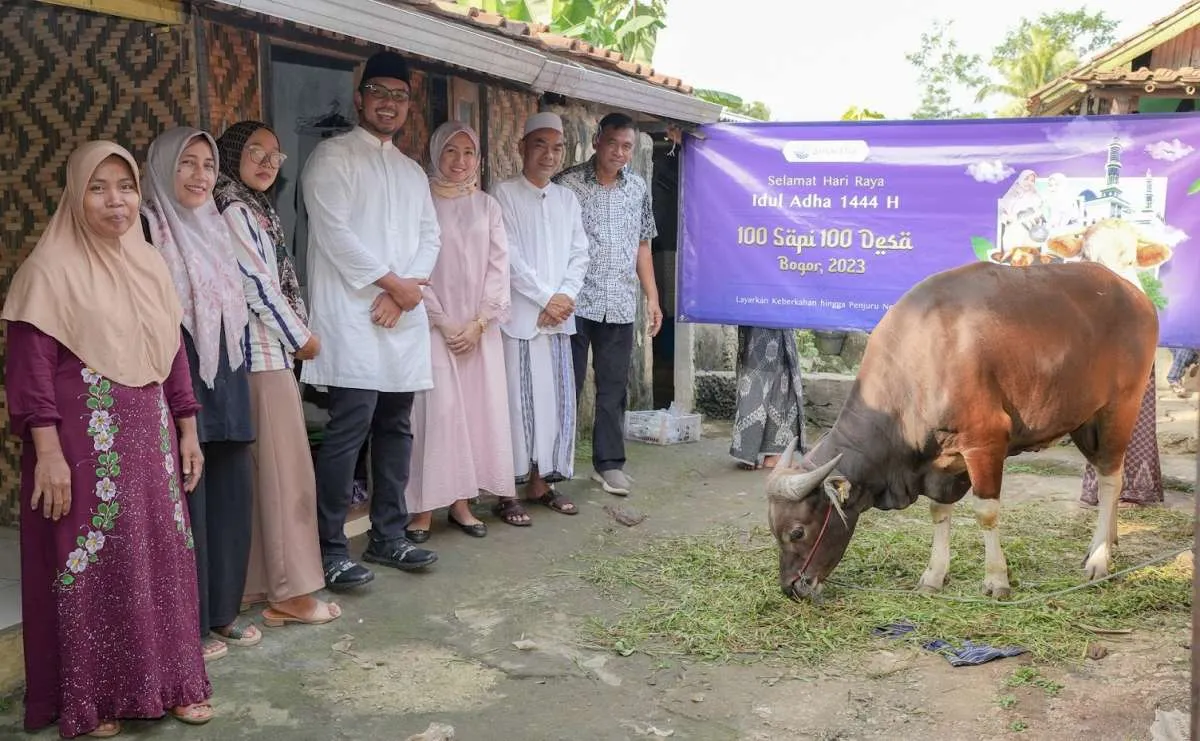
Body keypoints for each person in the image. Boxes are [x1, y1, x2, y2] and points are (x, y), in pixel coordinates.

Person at [3, 140, 214, 738]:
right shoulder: (47, 271)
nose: (115, 200)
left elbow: (172, 354)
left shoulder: (147, 263)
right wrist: (48, 454)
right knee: (97, 560)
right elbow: (29, 372)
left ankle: (172, 683)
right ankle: (98, 697)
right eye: (97, 187)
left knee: (159, 558)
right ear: (75, 195)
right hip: (82, 444)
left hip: (150, 439)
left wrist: (188, 429)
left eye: (124, 186)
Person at [300, 50, 441, 589]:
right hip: (351, 319)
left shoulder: (410, 172)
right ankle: (330, 548)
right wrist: (392, 284)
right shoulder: (331, 158)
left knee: (396, 428)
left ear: (408, 106)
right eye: (379, 92)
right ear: (360, 99)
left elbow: (431, 237)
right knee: (347, 431)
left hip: (399, 318)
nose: (389, 103)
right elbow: (336, 235)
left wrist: (405, 293)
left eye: (399, 96)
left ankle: (388, 535)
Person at [214, 120, 342, 627]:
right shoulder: (235, 210)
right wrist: (302, 338)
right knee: (288, 479)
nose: (268, 163)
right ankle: (291, 594)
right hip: (261, 359)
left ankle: (262, 585)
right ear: (232, 156)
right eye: (255, 153)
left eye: (275, 155)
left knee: (263, 480)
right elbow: (259, 287)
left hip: (262, 358)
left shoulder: (251, 207)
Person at [141, 127, 261, 660]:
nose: (198, 176)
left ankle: (222, 613)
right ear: (164, 168)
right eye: (186, 164)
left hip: (226, 372)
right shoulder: (146, 228)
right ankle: (187, 622)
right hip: (177, 369)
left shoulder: (215, 226)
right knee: (188, 494)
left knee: (231, 489)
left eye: (207, 165)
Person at [404, 121, 519, 539]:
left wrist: (479, 322)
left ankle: (461, 503)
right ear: (435, 154)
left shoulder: (488, 206)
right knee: (435, 416)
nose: (459, 161)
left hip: (479, 329)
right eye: (450, 152)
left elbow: (498, 267)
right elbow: (415, 263)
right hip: (433, 325)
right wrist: (444, 320)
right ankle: (421, 508)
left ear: (479, 160)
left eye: (468, 153)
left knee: (472, 413)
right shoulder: (421, 201)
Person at [554, 112, 661, 497]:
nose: (619, 152)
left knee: (613, 388)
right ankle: (554, 465)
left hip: (618, 302)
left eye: (627, 146)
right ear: (597, 139)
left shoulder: (638, 189)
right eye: (613, 143)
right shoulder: (566, 185)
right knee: (565, 384)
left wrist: (653, 297)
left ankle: (609, 464)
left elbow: (643, 244)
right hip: (573, 303)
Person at [491, 112, 591, 521]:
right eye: (540, 145)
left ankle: (542, 484)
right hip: (520, 319)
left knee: (554, 404)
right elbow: (507, 257)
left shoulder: (567, 198)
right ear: (522, 148)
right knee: (516, 404)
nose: (549, 155)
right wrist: (546, 298)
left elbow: (579, 252)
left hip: (558, 320)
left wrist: (565, 297)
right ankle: (506, 491)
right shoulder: (503, 193)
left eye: (557, 148)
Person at [730, 326, 806, 469]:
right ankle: (769, 455)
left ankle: (752, 452)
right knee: (768, 373)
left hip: (758, 311)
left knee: (761, 372)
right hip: (770, 311)